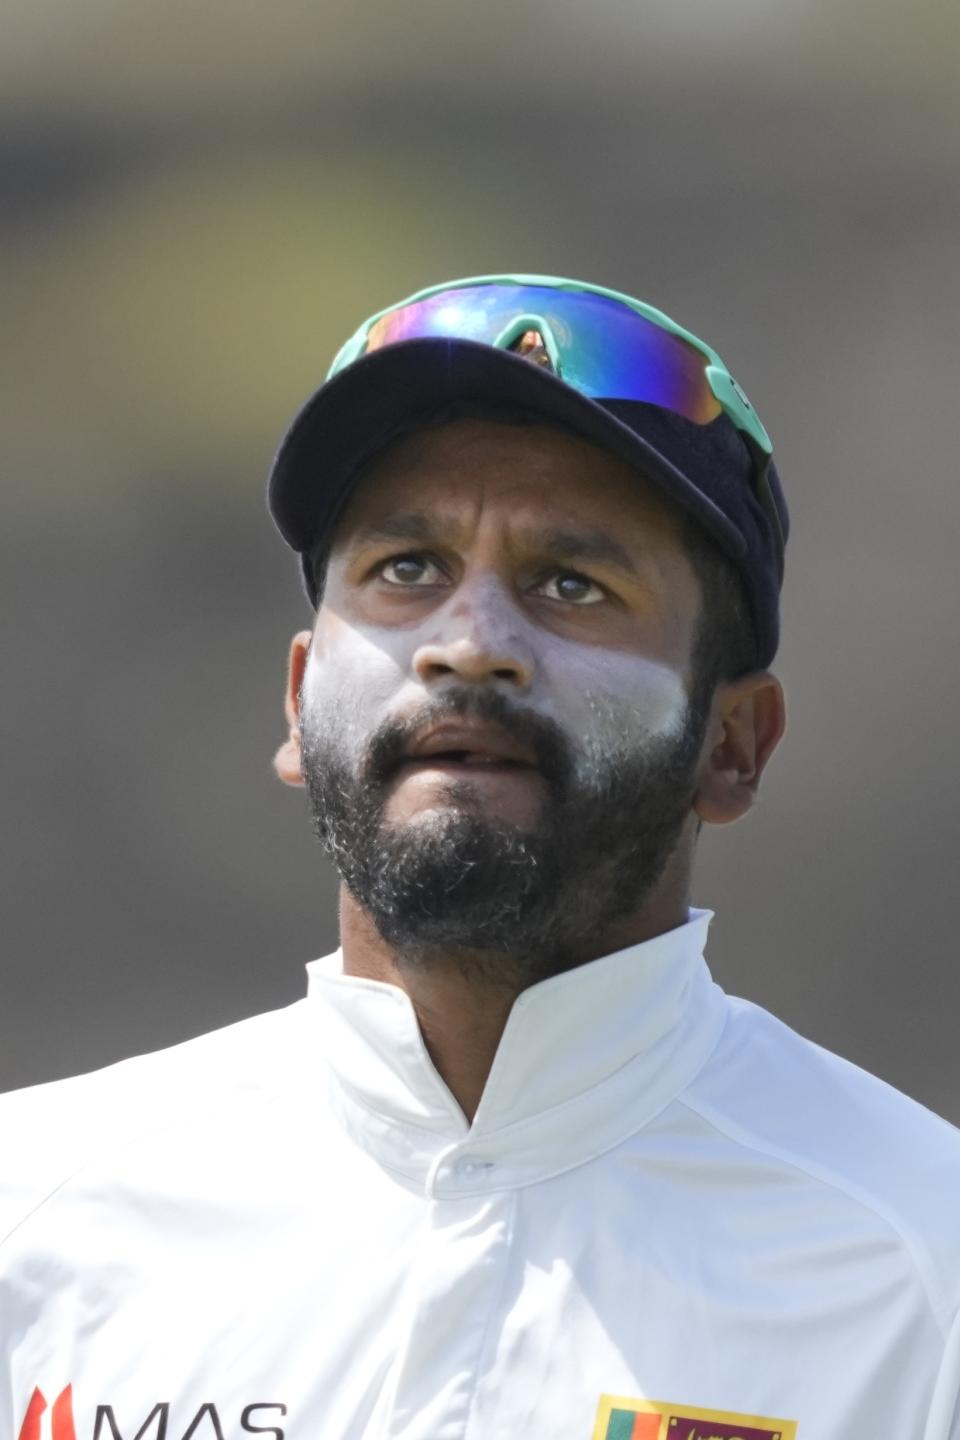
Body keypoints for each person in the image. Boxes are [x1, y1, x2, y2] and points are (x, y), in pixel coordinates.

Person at [2, 275, 958, 1440]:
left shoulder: (924, 1267)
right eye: (407, 568)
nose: (470, 646)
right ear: (301, 703)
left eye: (573, 583)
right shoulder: (34, 1218)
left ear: (732, 744)